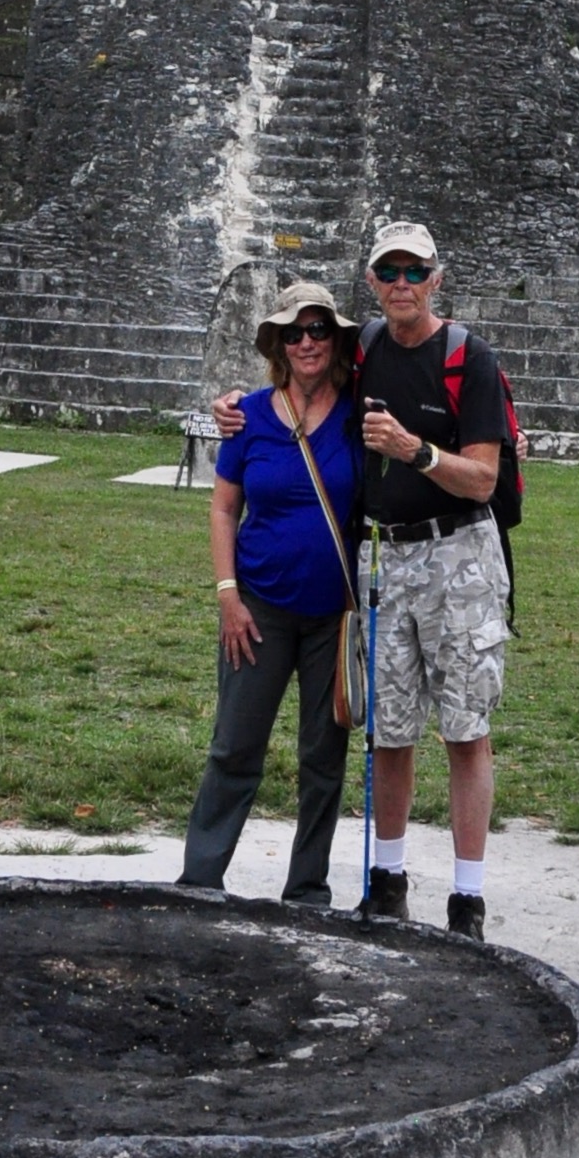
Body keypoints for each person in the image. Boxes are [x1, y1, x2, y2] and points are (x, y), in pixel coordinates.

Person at [178, 283, 363, 906]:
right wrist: (227, 595)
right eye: (294, 333)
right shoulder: (248, 416)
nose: (307, 342)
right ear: (278, 345)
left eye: (318, 330)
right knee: (235, 746)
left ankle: (307, 888)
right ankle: (200, 880)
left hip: (333, 616)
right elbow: (223, 509)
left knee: (323, 759)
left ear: (335, 340)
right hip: (257, 609)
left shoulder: (360, 415)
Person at [353, 219, 508, 942]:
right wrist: (234, 410)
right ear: (372, 281)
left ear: (436, 280)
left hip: (459, 555)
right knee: (389, 728)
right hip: (388, 555)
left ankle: (466, 901)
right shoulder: (363, 349)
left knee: (465, 729)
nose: (402, 284)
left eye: (415, 272)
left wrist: (415, 451)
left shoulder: (467, 358)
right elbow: (295, 381)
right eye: (390, 272)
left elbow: (483, 478)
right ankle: (388, 882)